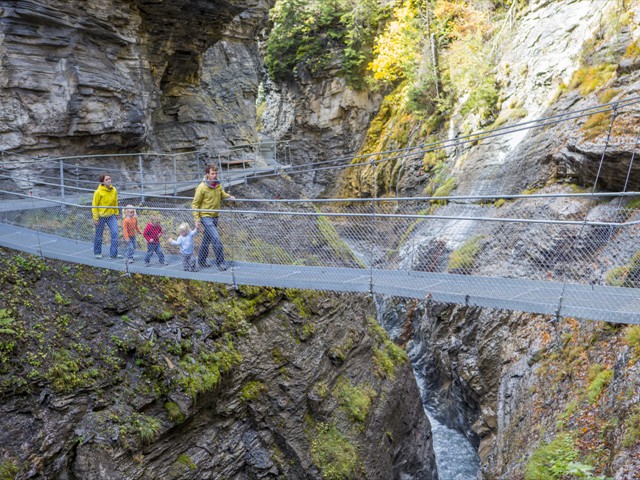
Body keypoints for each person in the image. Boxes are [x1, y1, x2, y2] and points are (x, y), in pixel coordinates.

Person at [192, 165, 235, 270]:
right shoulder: (201, 187)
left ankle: (201, 261)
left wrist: (229, 197)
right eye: (212, 173)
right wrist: (197, 220)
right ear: (207, 174)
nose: (215, 175)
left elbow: (222, 194)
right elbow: (195, 204)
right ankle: (220, 263)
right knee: (216, 238)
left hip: (215, 216)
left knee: (206, 240)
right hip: (205, 216)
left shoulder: (218, 184)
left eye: (216, 173)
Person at [92, 173, 121, 259]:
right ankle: (97, 252)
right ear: (102, 182)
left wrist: (116, 213)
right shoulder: (98, 192)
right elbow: (94, 206)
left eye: (109, 179)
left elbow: (115, 202)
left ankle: (113, 254)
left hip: (111, 216)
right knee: (99, 235)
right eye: (107, 179)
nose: (109, 181)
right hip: (101, 216)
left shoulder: (114, 190)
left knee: (115, 232)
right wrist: (95, 218)